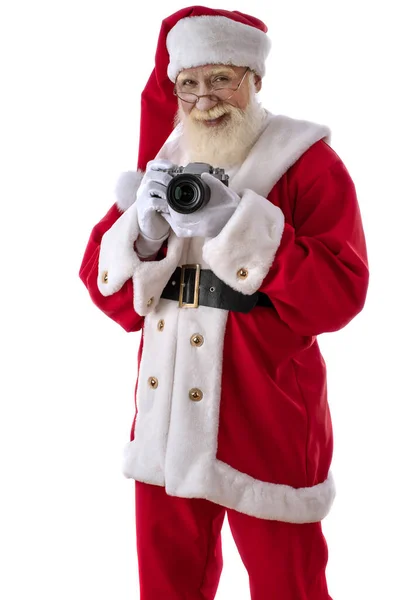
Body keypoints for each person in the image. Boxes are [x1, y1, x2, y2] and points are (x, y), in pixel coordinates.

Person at [79, 6, 369, 600]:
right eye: (189, 82)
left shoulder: (306, 161)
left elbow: (340, 295)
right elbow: (107, 295)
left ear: (254, 80)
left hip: (266, 412)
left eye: (221, 78)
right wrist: (145, 234)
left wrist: (237, 225)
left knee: (288, 585)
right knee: (167, 587)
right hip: (163, 428)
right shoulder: (162, 166)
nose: (204, 98)